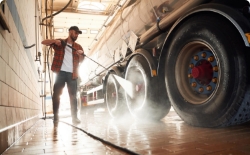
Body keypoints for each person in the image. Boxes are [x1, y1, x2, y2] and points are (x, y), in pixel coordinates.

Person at [41, 26, 84, 124]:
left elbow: (81, 61)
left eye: (78, 34)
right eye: (75, 33)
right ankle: (56, 117)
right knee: (56, 95)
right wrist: (54, 41)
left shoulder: (78, 47)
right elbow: (43, 42)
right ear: (70, 32)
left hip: (72, 75)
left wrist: (80, 54)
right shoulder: (60, 43)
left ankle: (74, 118)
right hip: (60, 73)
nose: (77, 35)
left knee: (73, 96)